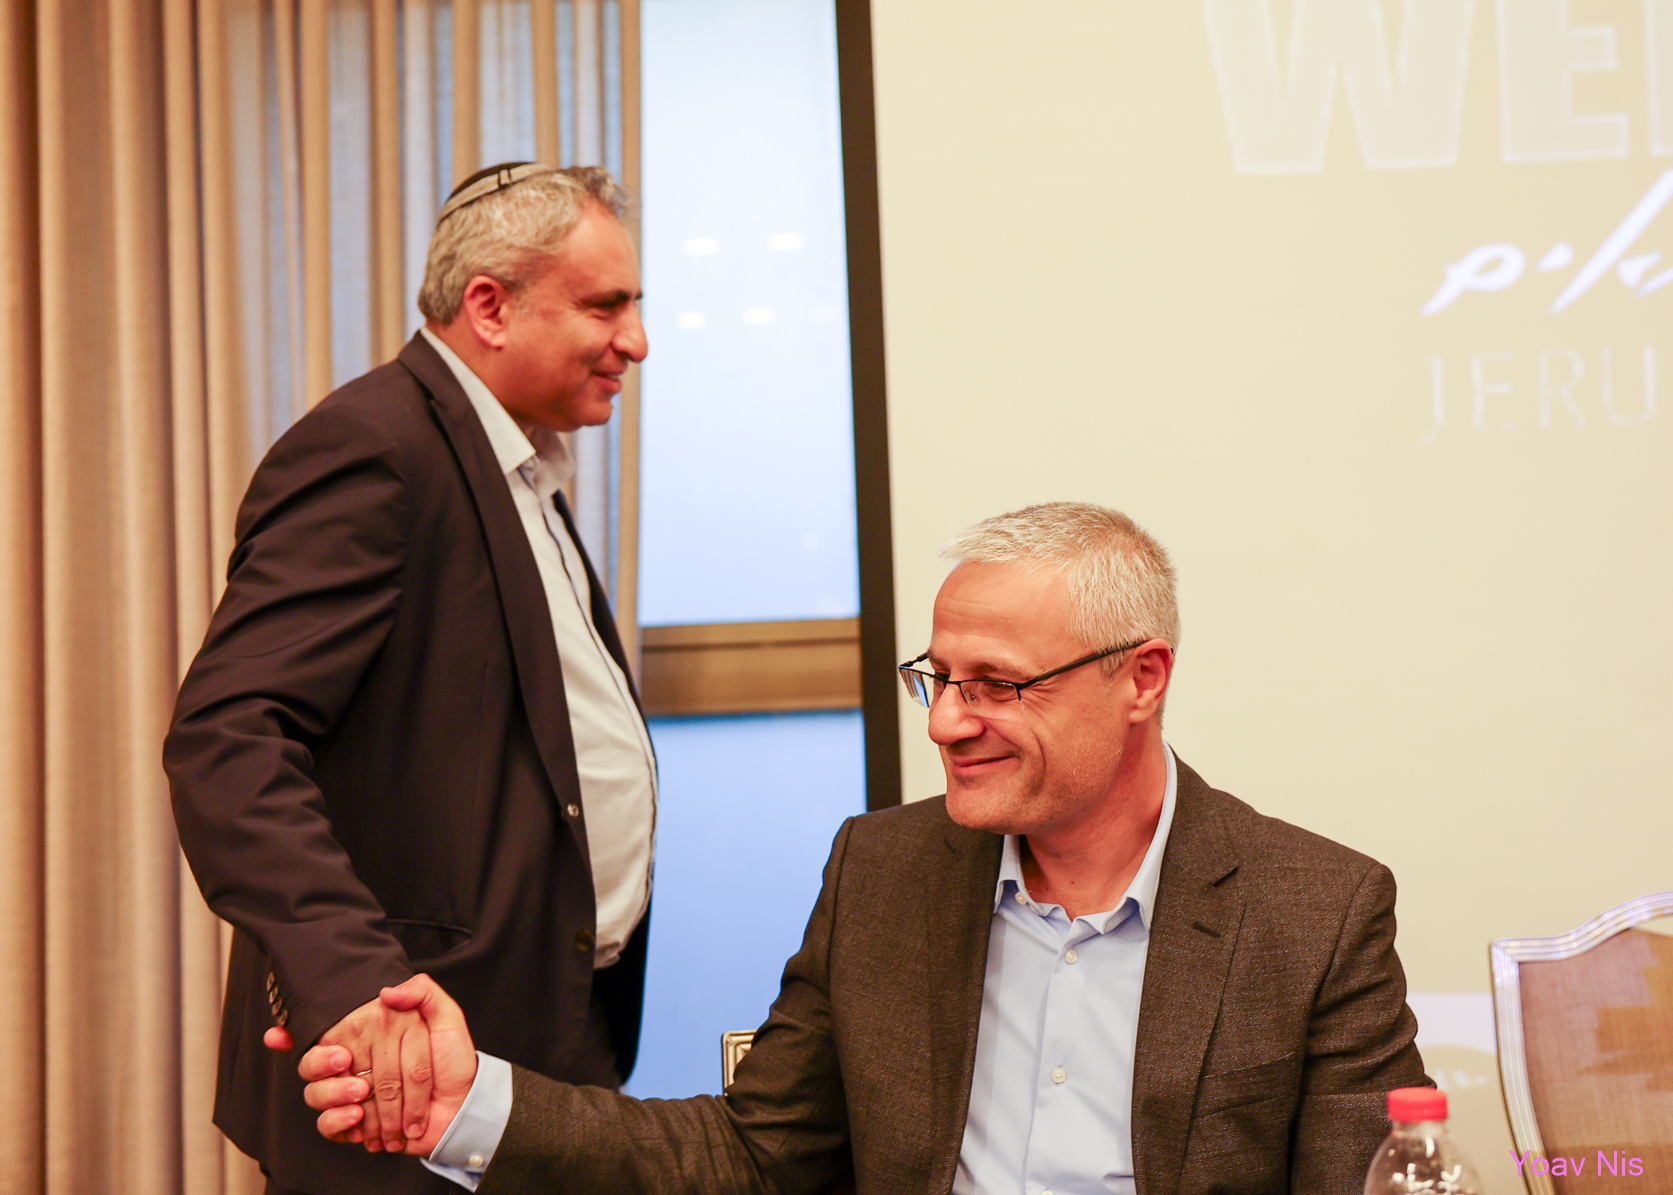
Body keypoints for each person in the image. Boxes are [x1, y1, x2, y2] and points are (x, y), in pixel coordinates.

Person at [297, 502, 1430, 1195]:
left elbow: (1378, 1182)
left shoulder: (1311, 909)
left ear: (1141, 678)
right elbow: (749, 1157)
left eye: (998, 685)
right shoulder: (883, 872)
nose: (945, 724)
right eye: (939, 679)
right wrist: (470, 1102)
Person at [165, 163, 657, 1195]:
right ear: (490, 306)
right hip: (406, 1061)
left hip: (532, 1038)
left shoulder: (519, 463)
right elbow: (230, 736)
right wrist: (352, 982)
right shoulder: (376, 446)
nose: (636, 341)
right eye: (605, 305)